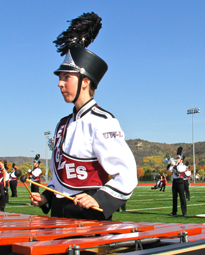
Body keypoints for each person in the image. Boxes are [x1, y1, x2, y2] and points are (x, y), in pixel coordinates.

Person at [30, 15, 137, 220]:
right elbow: (60, 179)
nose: (60, 84)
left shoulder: (102, 121)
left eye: (66, 77)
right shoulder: (62, 124)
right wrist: (46, 197)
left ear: (85, 82)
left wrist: (100, 199)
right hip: (58, 218)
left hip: (88, 219)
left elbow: (127, 174)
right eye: (60, 78)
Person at [169, 148, 187, 216]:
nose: (177, 159)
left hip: (180, 182)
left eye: (178, 158)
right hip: (174, 181)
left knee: (182, 197)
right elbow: (169, 169)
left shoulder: (183, 166)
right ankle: (174, 211)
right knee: (174, 197)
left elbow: (178, 172)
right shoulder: (175, 165)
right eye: (177, 158)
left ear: (181, 160)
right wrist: (169, 163)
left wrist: (174, 165)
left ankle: (184, 211)